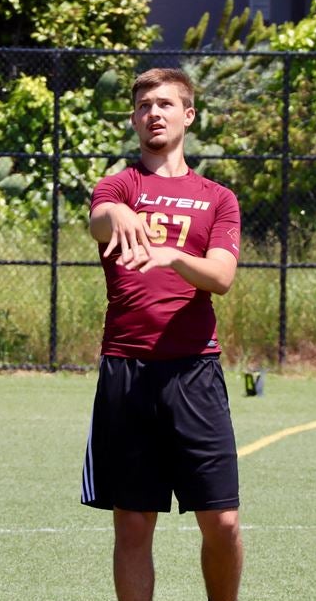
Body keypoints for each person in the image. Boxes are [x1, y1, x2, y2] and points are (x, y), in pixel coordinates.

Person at [79, 67, 243, 601]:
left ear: (188, 115)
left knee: (222, 523)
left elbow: (220, 276)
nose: (154, 112)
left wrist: (173, 255)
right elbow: (100, 219)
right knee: (132, 525)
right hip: (127, 371)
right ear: (134, 117)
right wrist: (117, 214)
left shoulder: (218, 198)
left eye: (166, 104)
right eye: (145, 105)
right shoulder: (121, 184)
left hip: (195, 371)